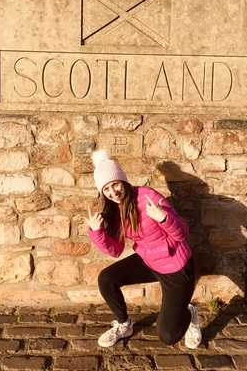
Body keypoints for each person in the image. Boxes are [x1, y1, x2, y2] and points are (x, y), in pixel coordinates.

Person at [84, 149, 202, 349]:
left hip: (176, 265)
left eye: (115, 184)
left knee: (168, 336)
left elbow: (182, 234)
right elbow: (116, 251)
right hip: (149, 260)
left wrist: (164, 218)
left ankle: (189, 313)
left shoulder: (148, 196)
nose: (113, 192)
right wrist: (97, 233)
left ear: (123, 181)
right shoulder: (114, 210)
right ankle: (124, 325)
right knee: (106, 278)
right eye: (106, 189)